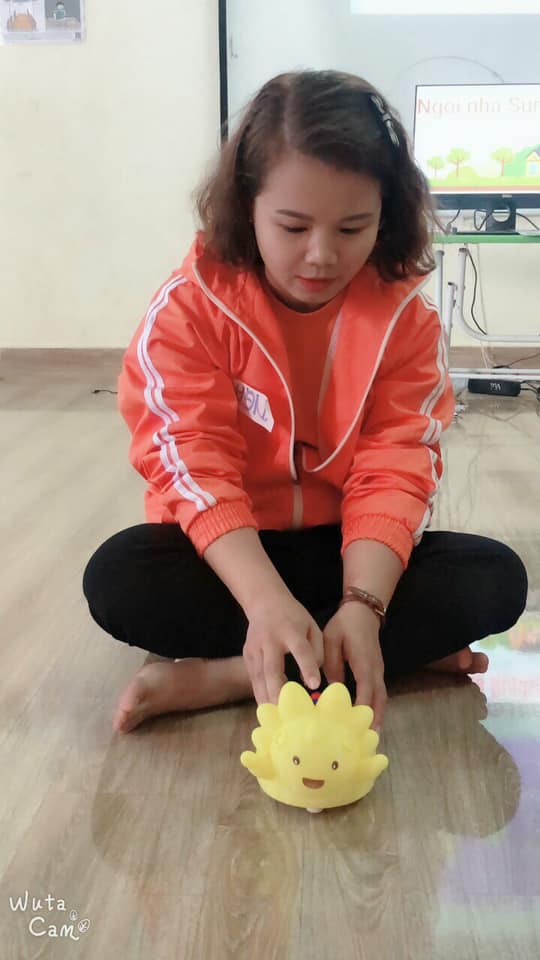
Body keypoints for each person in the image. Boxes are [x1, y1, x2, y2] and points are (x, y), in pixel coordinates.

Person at [82, 70, 528, 735]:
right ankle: (359, 657)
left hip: (344, 551)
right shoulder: (190, 309)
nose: (321, 255)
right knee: (119, 577)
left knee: (497, 579)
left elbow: (395, 465)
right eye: (292, 226)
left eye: (353, 227)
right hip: (232, 553)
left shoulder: (406, 319)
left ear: (386, 216)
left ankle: (233, 675)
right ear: (247, 207)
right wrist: (264, 601)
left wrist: (364, 605)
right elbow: (190, 461)